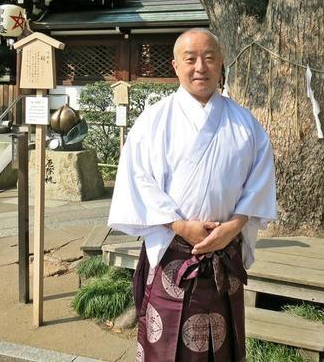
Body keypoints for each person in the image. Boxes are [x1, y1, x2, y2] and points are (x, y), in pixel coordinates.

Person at [108, 28, 277, 362]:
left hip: (224, 255)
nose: (201, 67)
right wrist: (179, 225)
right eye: (191, 59)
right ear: (175, 66)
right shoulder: (154, 121)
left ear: (221, 63)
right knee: (165, 348)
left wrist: (235, 225)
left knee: (223, 350)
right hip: (173, 252)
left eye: (209, 57)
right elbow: (137, 178)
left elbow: (260, 180)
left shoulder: (246, 124)